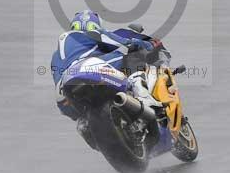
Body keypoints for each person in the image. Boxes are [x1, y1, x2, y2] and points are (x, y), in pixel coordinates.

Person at [50, 10, 160, 147]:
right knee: (133, 56)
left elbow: (56, 77)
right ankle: (143, 96)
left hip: (64, 93)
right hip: (88, 69)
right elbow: (123, 43)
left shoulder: (56, 55)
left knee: (80, 117)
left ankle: (84, 124)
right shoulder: (91, 34)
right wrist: (147, 45)